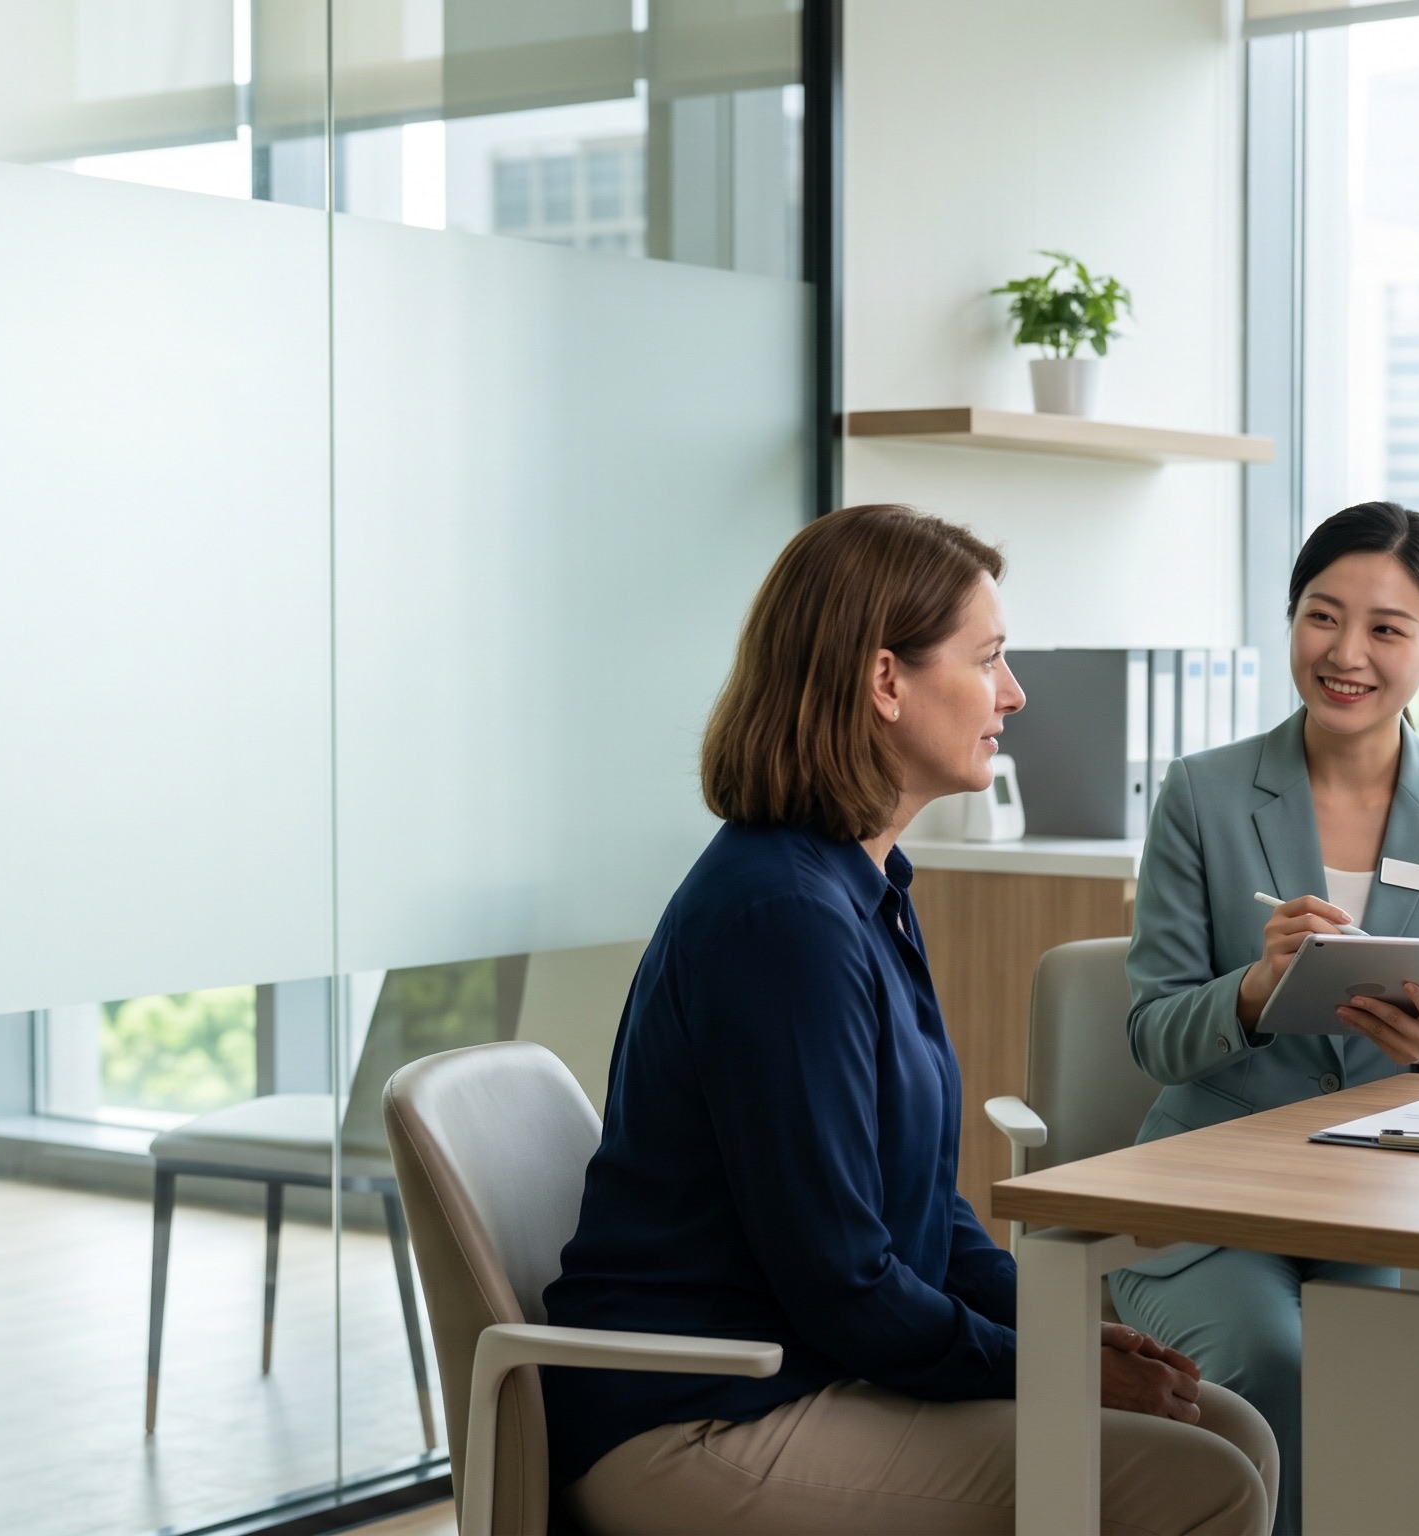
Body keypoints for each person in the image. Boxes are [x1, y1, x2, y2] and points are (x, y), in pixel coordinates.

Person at [541, 504, 1278, 1536]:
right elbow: (845, 1280)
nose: (1013, 696)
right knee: (1202, 1478)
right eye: (987, 661)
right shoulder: (782, 919)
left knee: (1228, 1428)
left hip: (806, 1371)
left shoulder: (864, 885)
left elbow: (923, 1224)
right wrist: (1054, 1369)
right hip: (704, 1417)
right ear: (885, 681)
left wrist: (1063, 1332)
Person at [1115, 500, 1419, 1536]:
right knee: (1276, 1362)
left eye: (1387, 629)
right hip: (1212, 1192)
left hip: (1387, 1194)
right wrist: (1252, 994)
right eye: (1320, 616)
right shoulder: (1203, 796)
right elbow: (1151, 1029)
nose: (1345, 653)